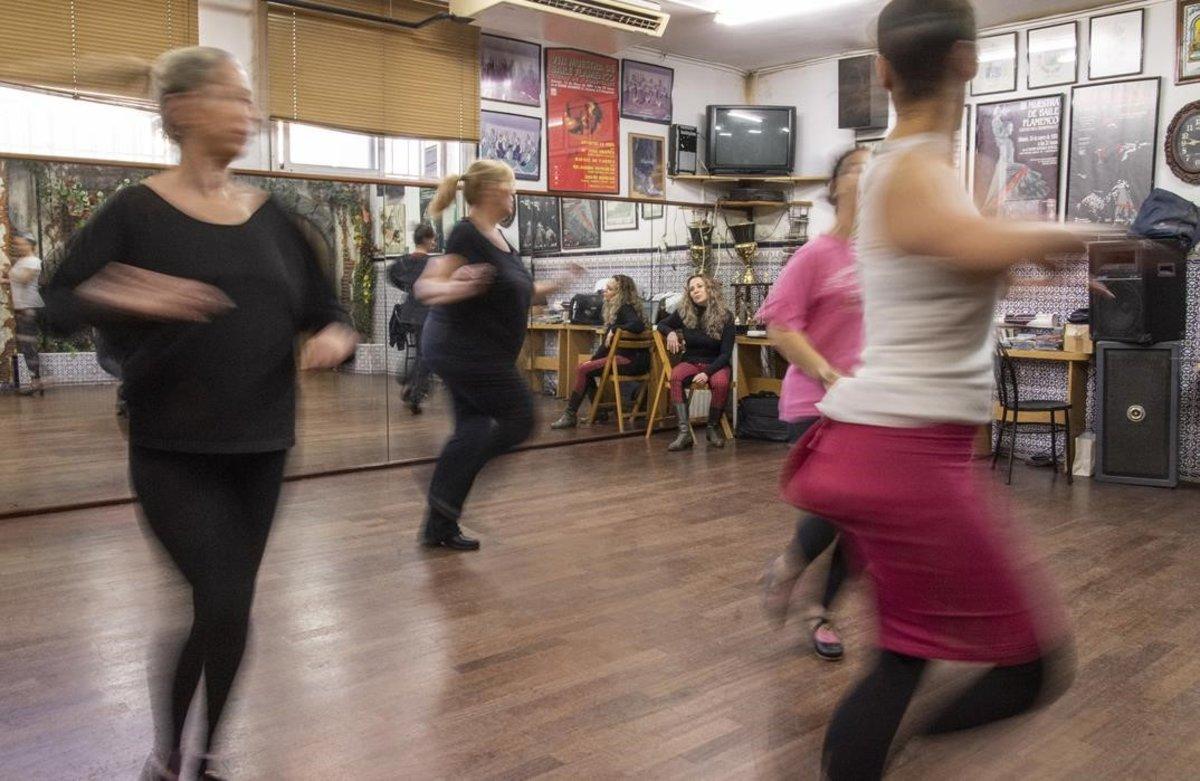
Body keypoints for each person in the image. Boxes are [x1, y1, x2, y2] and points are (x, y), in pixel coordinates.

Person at [781, 2, 1082, 776]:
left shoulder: (929, 171)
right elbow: (976, 243)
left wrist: (1018, 245)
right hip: (904, 453)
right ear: (968, 62)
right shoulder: (912, 167)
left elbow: (969, 259)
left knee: (904, 658)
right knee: (1027, 665)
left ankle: (879, 744)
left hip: (892, 445)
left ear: (881, 72)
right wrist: (1094, 234)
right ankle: (892, 743)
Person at [41, 46, 358, 780]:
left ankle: (205, 752)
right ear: (181, 109)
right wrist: (128, 293)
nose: (249, 114)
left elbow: (326, 305)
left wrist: (336, 334)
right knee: (219, 593)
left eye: (251, 101)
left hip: (264, 442)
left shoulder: (275, 218)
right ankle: (165, 753)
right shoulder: (135, 211)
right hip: (174, 447)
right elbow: (57, 302)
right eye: (233, 97)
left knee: (231, 606)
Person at [415, 159, 581, 551]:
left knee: (472, 431)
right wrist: (458, 288)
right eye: (510, 188)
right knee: (520, 418)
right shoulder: (465, 235)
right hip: (464, 350)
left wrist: (562, 280)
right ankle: (445, 476)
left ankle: (439, 525)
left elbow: (523, 291)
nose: (515, 196)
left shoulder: (500, 239)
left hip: (480, 352)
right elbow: (427, 287)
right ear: (492, 191)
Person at [757, 146, 870, 662]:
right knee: (837, 507)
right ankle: (788, 568)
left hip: (870, 405)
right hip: (816, 401)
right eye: (858, 166)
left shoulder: (882, 257)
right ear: (837, 185)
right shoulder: (815, 255)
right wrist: (827, 372)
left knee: (866, 521)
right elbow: (780, 326)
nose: (870, 175)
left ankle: (820, 610)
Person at [550, 273, 648, 429]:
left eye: (609, 289)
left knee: (583, 369)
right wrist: (593, 360)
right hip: (630, 361)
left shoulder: (625, 308)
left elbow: (637, 325)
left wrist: (615, 328)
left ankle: (570, 415)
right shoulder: (621, 309)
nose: (604, 291)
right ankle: (599, 411)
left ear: (620, 293)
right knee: (586, 368)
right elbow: (606, 347)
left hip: (630, 362)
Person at [655, 274, 735, 451]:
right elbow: (661, 324)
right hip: (691, 360)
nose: (695, 291)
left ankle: (712, 428)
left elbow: (725, 354)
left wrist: (707, 373)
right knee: (675, 376)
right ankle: (684, 433)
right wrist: (671, 332)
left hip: (716, 363)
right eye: (692, 289)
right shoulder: (684, 312)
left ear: (710, 289)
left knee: (721, 382)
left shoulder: (726, 317)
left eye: (699, 286)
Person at [388, 222, 437, 414]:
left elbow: (392, 275)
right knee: (426, 355)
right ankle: (414, 392)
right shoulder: (429, 263)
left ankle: (409, 378)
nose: (434, 242)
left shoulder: (404, 261)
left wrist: (408, 288)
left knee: (422, 353)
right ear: (425, 239)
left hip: (410, 312)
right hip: (426, 313)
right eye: (432, 238)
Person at [3, 231, 46, 396]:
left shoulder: (34, 261)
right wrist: (5, 280)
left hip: (30, 308)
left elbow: (24, 279)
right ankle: (36, 382)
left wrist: (8, 271)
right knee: (26, 346)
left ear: (30, 244)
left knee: (28, 346)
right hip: (23, 308)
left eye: (21, 243)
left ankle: (37, 383)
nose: (18, 246)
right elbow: (16, 280)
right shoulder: (22, 261)